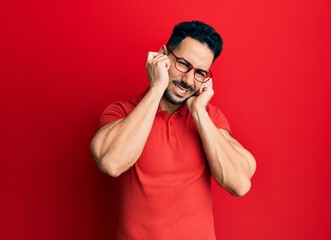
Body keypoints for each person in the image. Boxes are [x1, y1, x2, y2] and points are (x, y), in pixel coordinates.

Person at [90, 20, 256, 240]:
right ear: (162, 56)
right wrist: (157, 87)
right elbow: (110, 163)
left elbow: (240, 184)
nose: (188, 80)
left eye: (200, 73)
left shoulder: (210, 118)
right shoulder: (122, 112)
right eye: (183, 64)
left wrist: (198, 111)